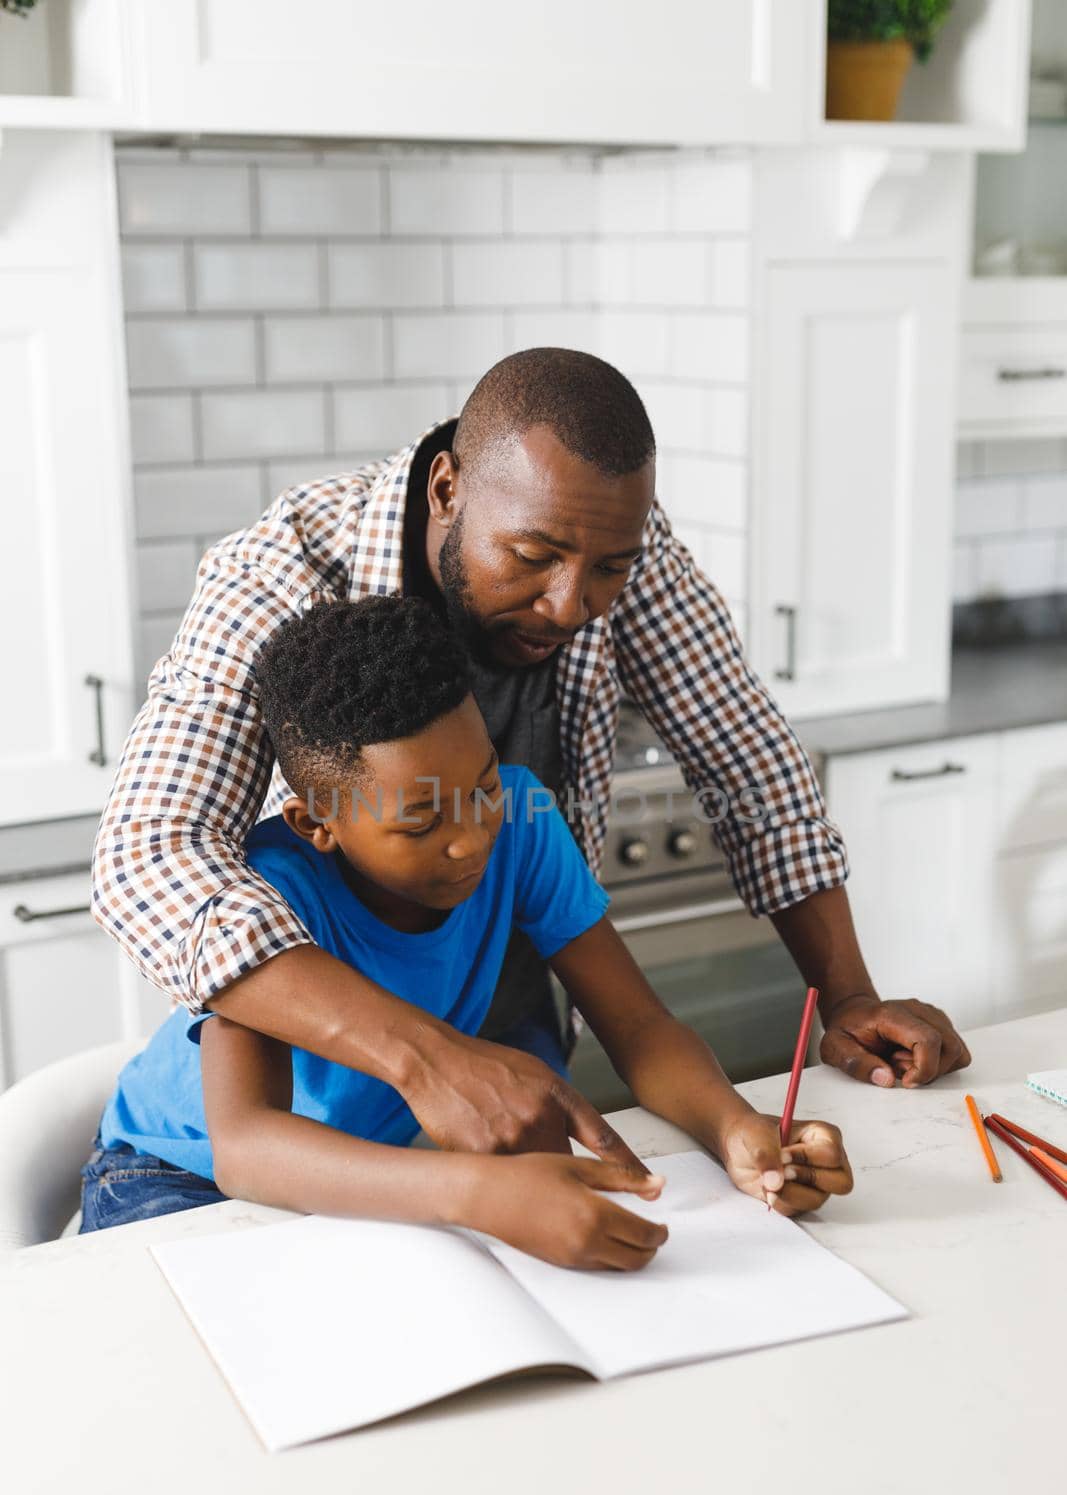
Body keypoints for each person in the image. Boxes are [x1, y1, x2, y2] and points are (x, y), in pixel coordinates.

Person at [91, 347, 970, 1166]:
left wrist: (849, 996)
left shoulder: (605, 532)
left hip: (513, 1024)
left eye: (606, 572)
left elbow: (748, 760)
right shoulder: (283, 573)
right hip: (339, 1072)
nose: (568, 605)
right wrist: (425, 1058)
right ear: (447, 489)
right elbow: (147, 857)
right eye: (531, 558)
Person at [80, 596, 853, 1264]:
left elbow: (640, 1025)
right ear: (316, 822)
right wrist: (480, 1193)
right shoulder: (271, 894)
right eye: (420, 821)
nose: (472, 837)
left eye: (481, 784)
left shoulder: (521, 820)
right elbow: (246, 1147)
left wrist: (734, 1129)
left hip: (340, 1179)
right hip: (173, 1179)